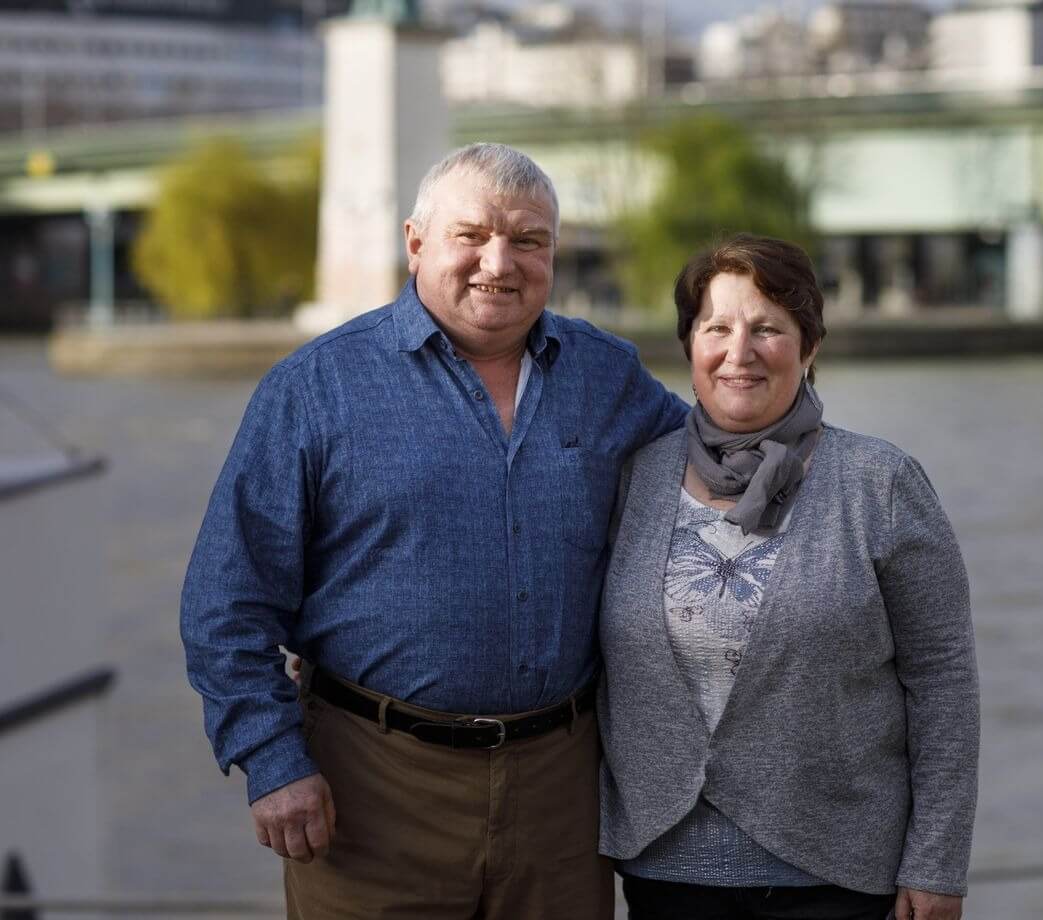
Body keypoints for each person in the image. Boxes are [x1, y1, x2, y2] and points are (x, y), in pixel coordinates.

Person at [180, 142, 687, 919]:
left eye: (528, 240)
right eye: (472, 235)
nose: (500, 261)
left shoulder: (606, 374)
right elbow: (228, 601)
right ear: (415, 243)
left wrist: (827, 454)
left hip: (562, 790)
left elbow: (714, 476)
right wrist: (273, 761)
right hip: (370, 787)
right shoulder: (316, 388)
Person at [598, 234, 979, 920]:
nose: (739, 352)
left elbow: (943, 681)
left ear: (809, 349)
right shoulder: (635, 477)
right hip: (664, 874)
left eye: (768, 328)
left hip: (838, 876)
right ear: (690, 347)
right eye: (717, 327)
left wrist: (937, 863)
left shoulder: (880, 483)